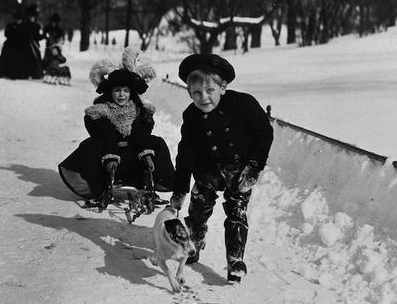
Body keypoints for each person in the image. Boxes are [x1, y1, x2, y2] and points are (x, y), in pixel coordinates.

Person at [169, 53, 274, 283]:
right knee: (199, 207)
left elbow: (264, 133)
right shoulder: (192, 116)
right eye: (196, 93)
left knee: (237, 211)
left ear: (223, 87)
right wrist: (180, 190)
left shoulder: (243, 104)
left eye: (209, 91)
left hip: (239, 170)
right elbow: (186, 152)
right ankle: (193, 243)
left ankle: (235, 259)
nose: (203, 98)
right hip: (207, 170)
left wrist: (254, 168)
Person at [59, 47, 175, 204]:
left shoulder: (140, 111)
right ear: (110, 92)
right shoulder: (101, 111)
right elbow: (106, 135)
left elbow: (142, 134)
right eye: (117, 91)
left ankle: (148, 184)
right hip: (109, 155)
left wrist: (146, 154)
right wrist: (111, 157)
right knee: (90, 145)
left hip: (134, 158)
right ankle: (98, 188)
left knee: (157, 142)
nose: (122, 95)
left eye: (126, 91)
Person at [0, 4, 43, 80]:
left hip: (30, 45)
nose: (18, 21)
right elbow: (10, 34)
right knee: (10, 57)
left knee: (32, 59)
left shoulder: (32, 25)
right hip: (16, 44)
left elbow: (34, 35)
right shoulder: (14, 25)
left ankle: (33, 73)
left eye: (32, 17)